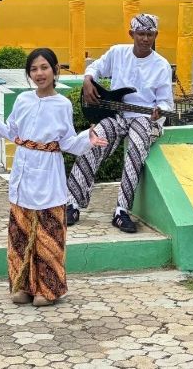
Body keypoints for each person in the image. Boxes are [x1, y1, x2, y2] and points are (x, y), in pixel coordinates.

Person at [0, 48, 104, 306]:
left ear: (54, 70)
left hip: (49, 172)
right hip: (24, 168)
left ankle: (47, 289)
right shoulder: (23, 100)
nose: (39, 74)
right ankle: (22, 286)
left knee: (48, 232)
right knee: (20, 232)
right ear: (29, 74)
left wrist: (88, 139)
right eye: (34, 69)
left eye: (44, 68)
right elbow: (11, 131)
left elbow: (69, 142)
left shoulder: (63, 104)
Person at [66, 13, 173, 233]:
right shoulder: (118, 53)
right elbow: (95, 68)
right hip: (117, 116)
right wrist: (87, 81)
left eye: (150, 34)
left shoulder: (161, 65)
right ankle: (72, 203)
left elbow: (165, 101)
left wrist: (159, 111)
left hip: (144, 119)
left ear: (156, 35)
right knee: (93, 141)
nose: (145, 38)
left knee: (136, 150)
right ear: (131, 34)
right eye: (141, 34)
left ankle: (121, 211)